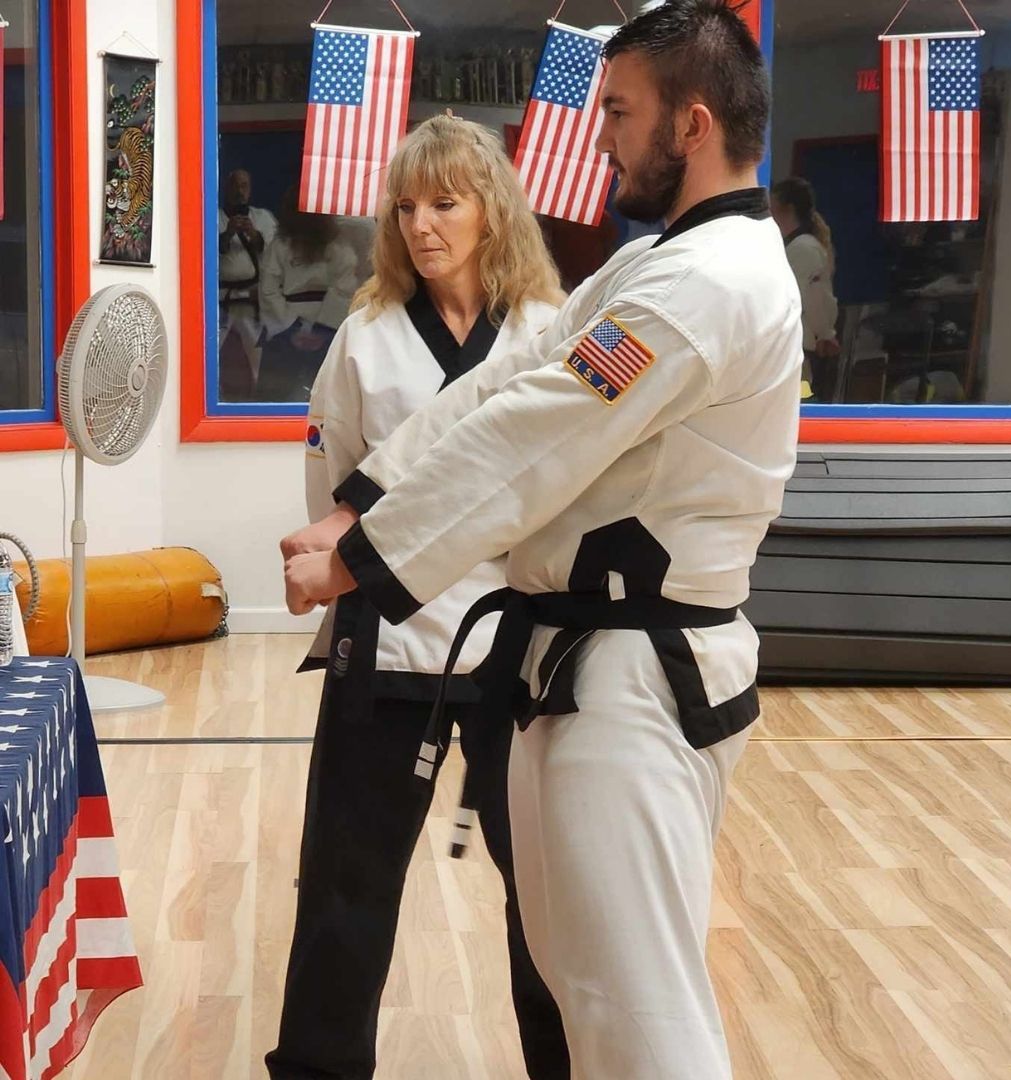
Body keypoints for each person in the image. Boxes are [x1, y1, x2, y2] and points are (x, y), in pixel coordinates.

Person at [281, 2, 803, 1076]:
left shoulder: (706, 284)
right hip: (575, 664)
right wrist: (362, 497)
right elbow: (515, 384)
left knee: (633, 1008)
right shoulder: (653, 265)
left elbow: (538, 436)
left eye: (618, 110)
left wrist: (359, 561)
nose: (599, 131)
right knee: (580, 979)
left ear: (691, 124)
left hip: (639, 681)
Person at [265, 115, 571, 1080]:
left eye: (446, 202)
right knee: (345, 888)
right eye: (406, 206)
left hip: (508, 648)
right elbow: (335, 496)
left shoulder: (545, 334)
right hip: (386, 648)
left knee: (547, 894)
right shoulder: (362, 339)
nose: (423, 225)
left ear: (494, 210)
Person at [257, 186, 359, 401]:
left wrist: (320, 330)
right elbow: (268, 290)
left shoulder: (337, 246)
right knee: (277, 396)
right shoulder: (280, 245)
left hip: (323, 327)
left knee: (325, 398)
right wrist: (293, 328)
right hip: (288, 328)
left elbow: (344, 288)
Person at [770, 176, 840, 401]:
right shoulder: (796, 246)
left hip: (798, 350)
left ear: (786, 208)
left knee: (800, 402)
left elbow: (814, 299)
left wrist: (826, 333)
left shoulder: (804, 249)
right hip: (794, 349)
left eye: (772, 205)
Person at [218, 169, 277, 396]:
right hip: (221, 299)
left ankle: (259, 397)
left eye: (244, 186)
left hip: (252, 299)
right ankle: (210, 396)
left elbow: (277, 253)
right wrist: (227, 234)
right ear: (226, 189)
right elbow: (202, 253)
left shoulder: (263, 218)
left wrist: (255, 236)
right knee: (207, 353)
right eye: (234, 186)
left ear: (250, 190)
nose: (239, 191)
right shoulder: (213, 217)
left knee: (258, 354)